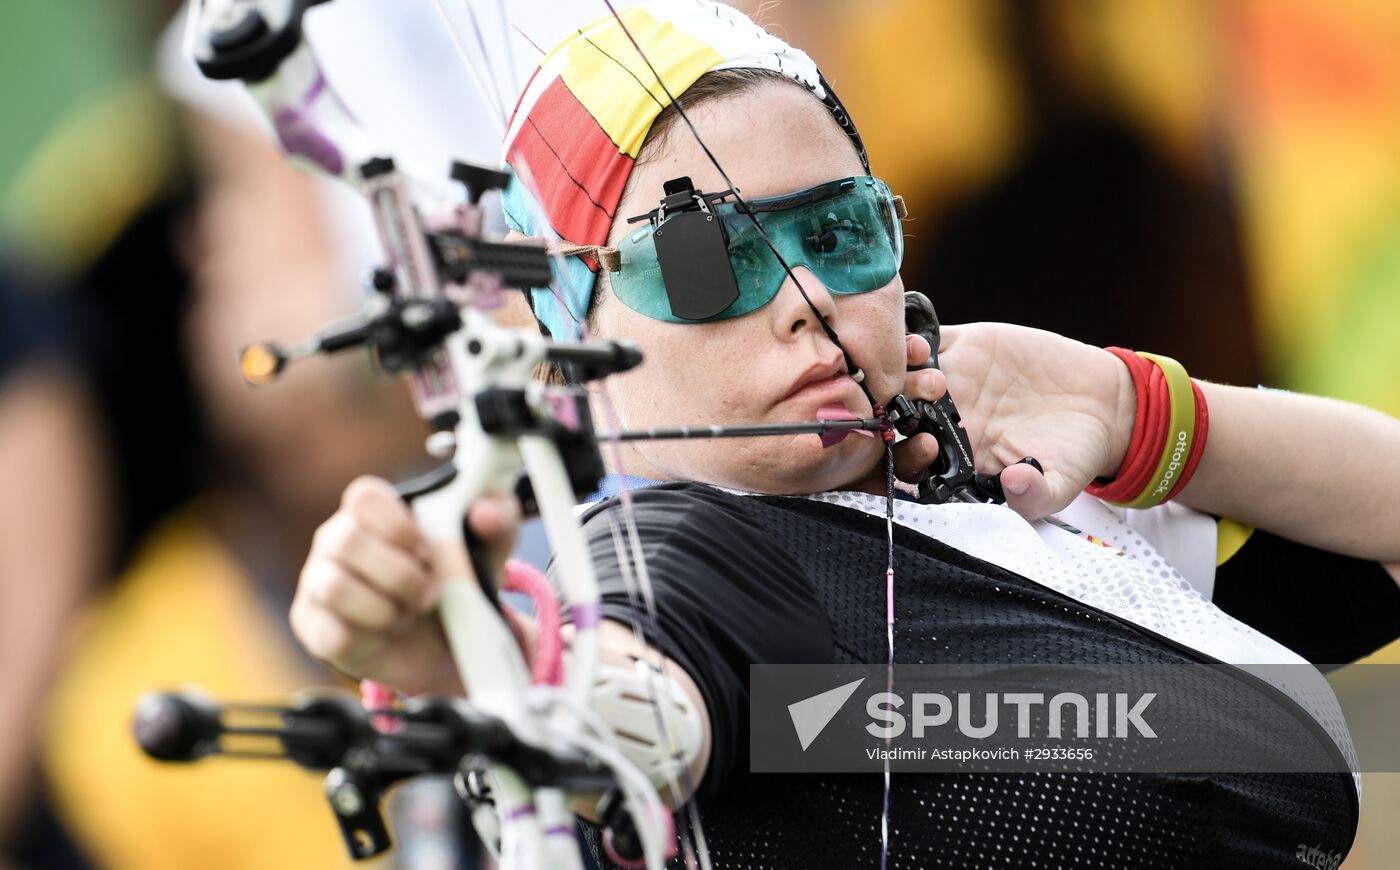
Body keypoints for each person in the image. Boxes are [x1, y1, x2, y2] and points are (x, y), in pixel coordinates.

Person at [288, 3, 1400, 867]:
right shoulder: (683, 568)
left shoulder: (1000, 497)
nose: (805, 297)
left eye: (837, 229)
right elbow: (622, 711)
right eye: (703, 260)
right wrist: (469, 672)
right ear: (567, 332)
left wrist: (1125, 407)